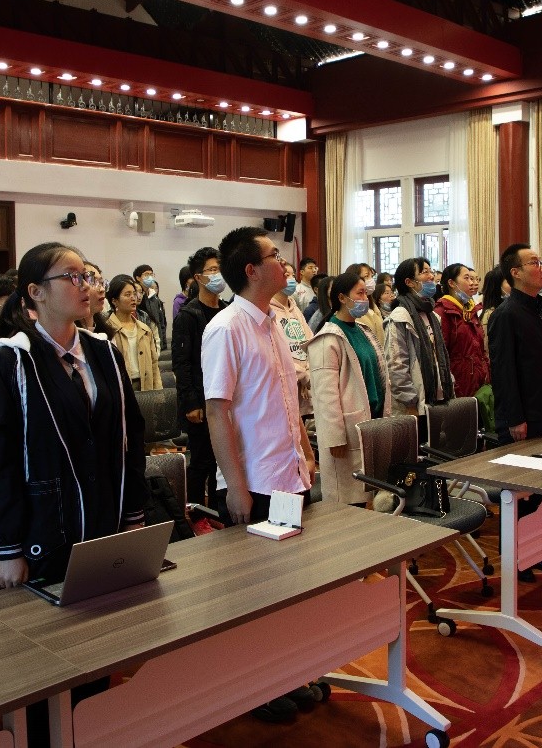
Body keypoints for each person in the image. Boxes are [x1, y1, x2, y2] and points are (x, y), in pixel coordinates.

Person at [0, 242, 147, 589]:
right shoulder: (12, 359)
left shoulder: (104, 353)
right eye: (72, 277)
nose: (86, 286)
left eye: (88, 276)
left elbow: (130, 437)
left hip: (108, 516)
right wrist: (8, 548)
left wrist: (134, 514)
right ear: (36, 292)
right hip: (47, 528)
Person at [202, 230, 318, 721]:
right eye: (274, 255)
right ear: (250, 270)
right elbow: (217, 412)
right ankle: (254, 689)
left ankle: (287, 674)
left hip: (289, 474)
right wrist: (235, 486)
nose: (284, 262)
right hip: (255, 482)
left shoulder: (273, 323)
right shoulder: (226, 329)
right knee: (256, 593)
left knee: (289, 586)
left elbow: (288, 400)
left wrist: (306, 454)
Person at [307, 270, 389, 505]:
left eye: (365, 293)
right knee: (349, 501)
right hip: (347, 432)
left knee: (371, 494)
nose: (365, 299)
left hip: (372, 422)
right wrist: (335, 437)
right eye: (359, 293)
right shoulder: (328, 337)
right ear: (342, 298)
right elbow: (325, 395)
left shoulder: (363, 330)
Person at [171, 247, 228, 509]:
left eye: (220, 269)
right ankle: (196, 511)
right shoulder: (188, 315)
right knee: (202, 460)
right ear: (198, 277)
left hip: (225, 396)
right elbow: (182, 364)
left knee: (222, 459)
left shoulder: (227, 310)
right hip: (200, 399)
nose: (218, 275)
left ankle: (218, 507)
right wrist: (191, 403)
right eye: (212, 270)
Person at [487, 245, 542, 442]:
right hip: (521, 419)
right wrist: (515, 418)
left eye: (541, 262)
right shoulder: (505, 314)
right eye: (535, 263)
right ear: (515, 272)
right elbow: (504, 372)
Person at [384, 257, 455, 421]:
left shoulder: (432, 315)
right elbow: (396, 365)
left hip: (439, 399)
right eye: (424, 272)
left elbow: (440, 356)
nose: (431, 276)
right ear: (409, 282)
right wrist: (410, 403)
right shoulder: (400, 317)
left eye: (431, 271)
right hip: (415, 405)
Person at [435, 263, 490, 398]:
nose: (472, 283)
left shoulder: (470, 310)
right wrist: (453, 387)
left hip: (478, 384)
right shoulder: (442, 312)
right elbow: (440, 356)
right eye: (467, 278)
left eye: (473, 279)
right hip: (458, 387)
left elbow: (480, 350)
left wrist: (487, 374)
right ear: (452, 283)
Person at [271, 260, 315, 417]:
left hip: (305, 387)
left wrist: (308, 370)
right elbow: (275, 353)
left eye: (292, 275)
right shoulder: (268, 310)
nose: (291, 279)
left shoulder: (295, 309)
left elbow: (310, 341)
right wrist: (302, 375)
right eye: (286, 275)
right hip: (285, 386)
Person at [105, 276, 162, 392]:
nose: (133, 298)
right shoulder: (107, 330)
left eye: (134, 294)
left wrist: (158, 389)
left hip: (146, 385)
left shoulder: (144, 329)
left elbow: (154, 363)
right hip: (121, 387)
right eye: (127, 295)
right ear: (114, 301)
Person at [346, 262, 386, 348]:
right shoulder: (355, 309)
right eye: (367, 276)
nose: (371, 280)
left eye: (372, 276)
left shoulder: (372, 305)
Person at [133, 264, 167, 350]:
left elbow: (161, 321)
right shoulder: (136, 298)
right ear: (138, 278)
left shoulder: (154, 297)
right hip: (143, 342)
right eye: (146, 274)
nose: (150, 277)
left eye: (151, 274)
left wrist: (163, 341)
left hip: (157, 339)